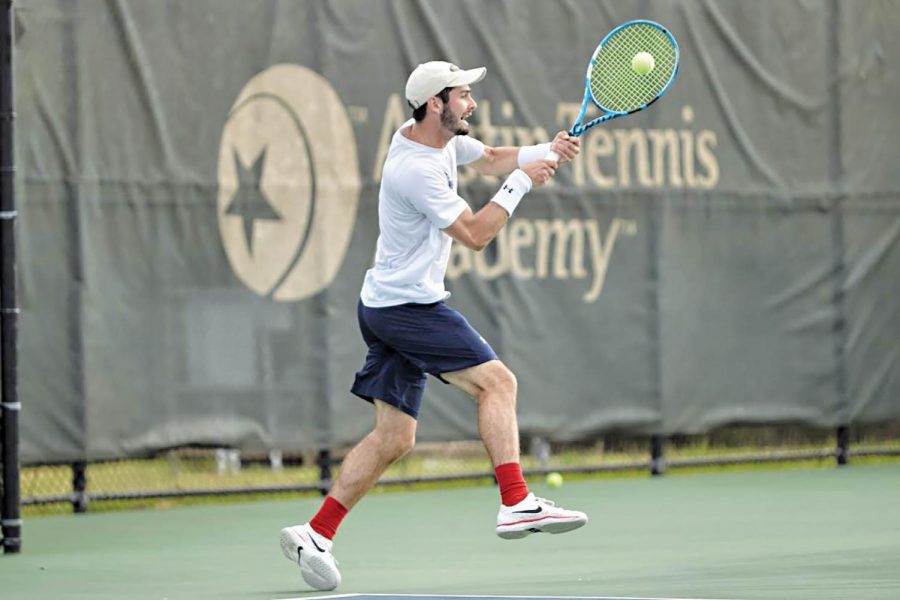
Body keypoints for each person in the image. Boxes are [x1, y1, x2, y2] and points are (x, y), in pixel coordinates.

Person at [279, 61, 587, 591]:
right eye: (463, 95)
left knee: (394, 437)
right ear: (434, 104)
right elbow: (473, 234)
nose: (471, 103)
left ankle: (317, 532)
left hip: (383, 305)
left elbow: (490, 156)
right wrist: (521, 184)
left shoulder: (436, 140)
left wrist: (544, 152)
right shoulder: (414, 169)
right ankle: (515, 501)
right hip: (406, 310)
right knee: (499, 383)